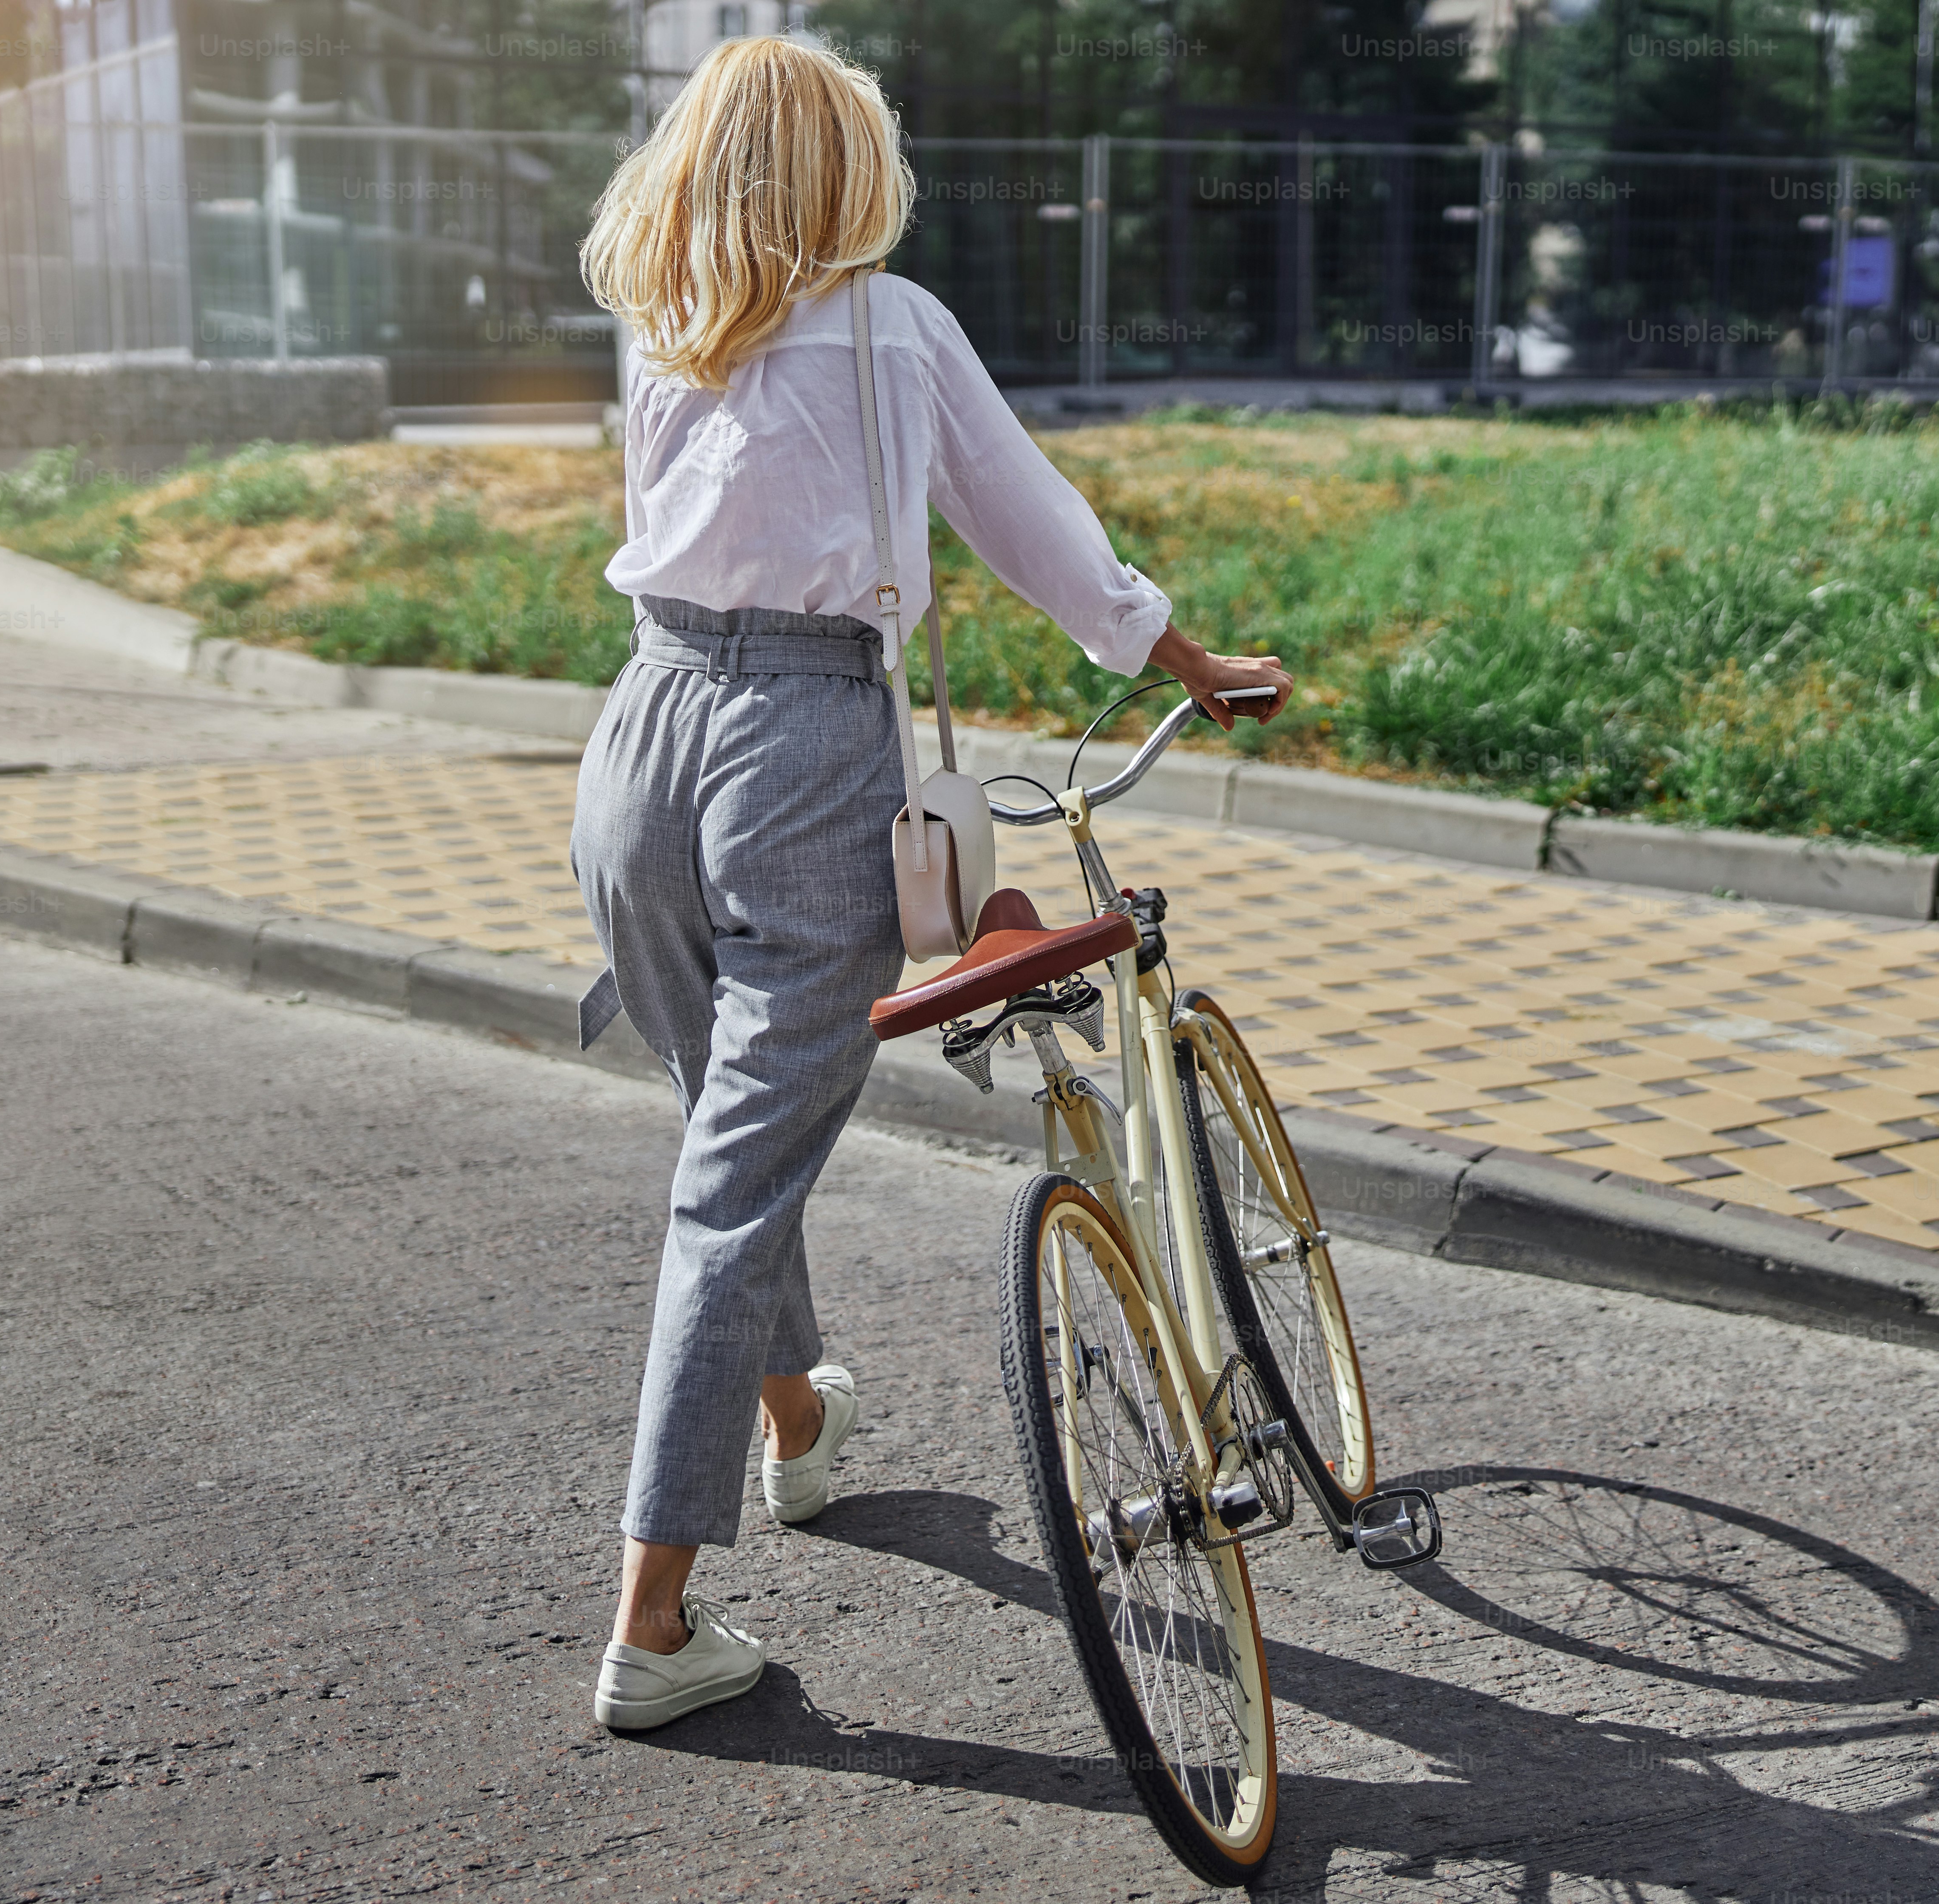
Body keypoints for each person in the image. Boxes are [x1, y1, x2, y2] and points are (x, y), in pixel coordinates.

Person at [569, 37, 1291, 1731]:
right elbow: (1029, 524)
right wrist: (1175, 652)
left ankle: (801, 1429)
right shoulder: (894, 325)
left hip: (636, 741)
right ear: (850, 168)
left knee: (724, 1133)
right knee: (734, 1182)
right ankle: (651, 1626)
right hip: (799, 749)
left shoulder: (668, 324)